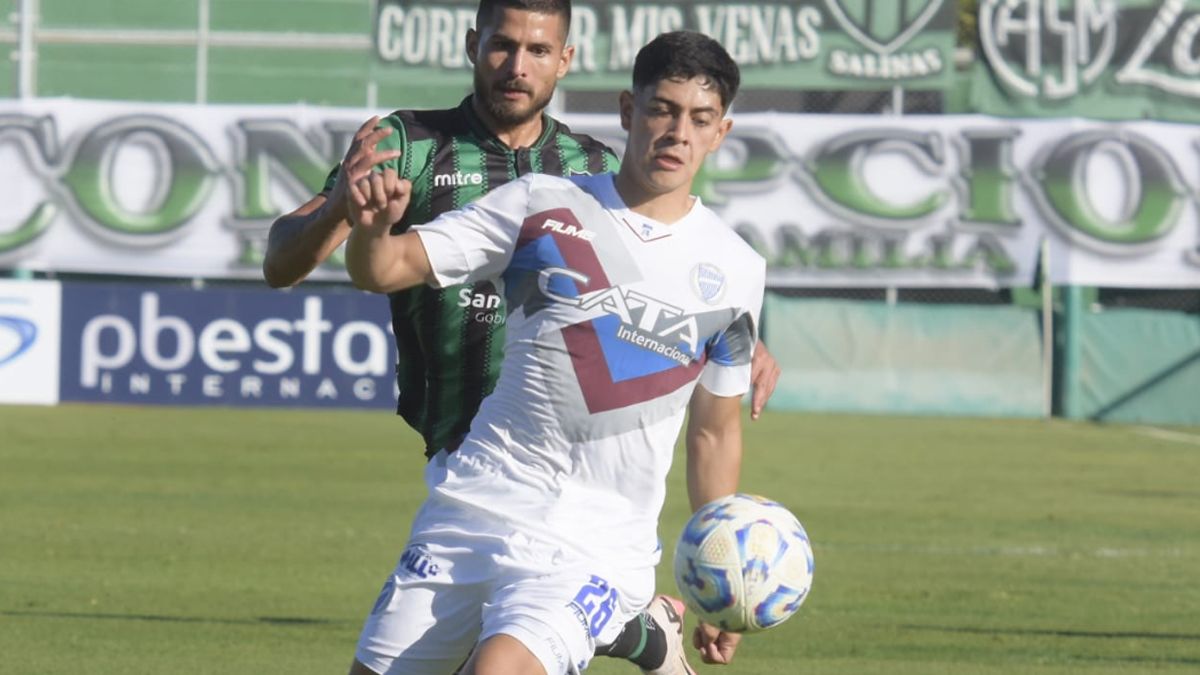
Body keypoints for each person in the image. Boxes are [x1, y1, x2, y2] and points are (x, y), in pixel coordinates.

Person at [264, 1, 778, 672]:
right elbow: (355, 265)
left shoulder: (710, 250)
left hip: (589, 532)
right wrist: (358, 218)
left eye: (699, 118)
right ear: (630, 109)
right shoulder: (484, 174)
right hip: (470, 483)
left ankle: (627, 618)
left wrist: (738, 345)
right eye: (661, 110)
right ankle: (638, 629)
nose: (676, 132)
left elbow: (711, 411)